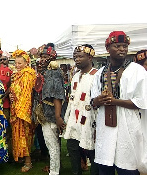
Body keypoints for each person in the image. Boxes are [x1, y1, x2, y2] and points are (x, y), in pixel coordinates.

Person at [91, 31, 147, 174]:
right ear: (108, 48)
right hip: (105, 126)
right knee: (105, 166)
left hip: (127, 125)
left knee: (127, 166)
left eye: (124, 46)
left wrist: (115, 101)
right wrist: (98, 100)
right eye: (117, 46)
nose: (122, 49)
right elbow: (93, 101)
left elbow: (142, 101)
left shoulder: (137, 71)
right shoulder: (100, 72)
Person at [63, 44, 99, 175]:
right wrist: (67, 117)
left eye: (80, 56)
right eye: (75, 57)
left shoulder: (97, 75)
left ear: (90, 57)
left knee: (92, 154)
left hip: (90, 121)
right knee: (73, 150)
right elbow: (72, 100)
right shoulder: (76, 76)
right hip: (74, 120)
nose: (76, 59)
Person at [39, 44, 65, 175]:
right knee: (53, 144)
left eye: (45, 57)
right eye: (41, 57)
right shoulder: (46, 72)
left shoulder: (53, 72)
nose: (42, 60)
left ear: (52, 58)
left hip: (51, 115)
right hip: (46, 113)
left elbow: (57, 96)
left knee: (52, 144)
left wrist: (58, 116)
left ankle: (54, 172)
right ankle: (54, 167)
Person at [9, 49, 36, 172]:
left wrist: (22, 110)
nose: (17, 65)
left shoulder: (29, 74)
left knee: (25, 135)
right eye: (16, 63)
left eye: (20, 63)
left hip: (24, 110)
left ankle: (28, 161)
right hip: (15, 108)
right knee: (17, 135)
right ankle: (20, 156)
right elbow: (13, 90)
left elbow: (27, 94)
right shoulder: (15, 75)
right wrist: (11, 95)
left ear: (26, 63)